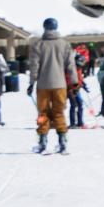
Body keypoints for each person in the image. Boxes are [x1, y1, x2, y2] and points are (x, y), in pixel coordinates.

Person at [28, 18, 80, 154]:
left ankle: (42, 141)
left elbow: (34, 66)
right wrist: (74, 81)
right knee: (59, 112)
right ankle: (62, 141)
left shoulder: (38, 44)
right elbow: (70, 64)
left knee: (43, 112)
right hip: (60, 85)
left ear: (44, 28)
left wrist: (32, 82)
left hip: (43, 84)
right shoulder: (64, 44)